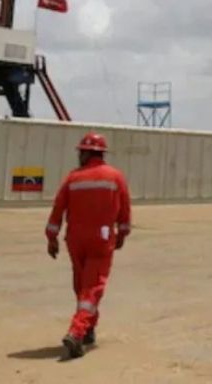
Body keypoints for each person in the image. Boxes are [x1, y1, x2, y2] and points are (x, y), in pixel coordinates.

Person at [45, 132, 133, 358]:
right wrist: (122, 232)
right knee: (92, 288)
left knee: (82, 286)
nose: (79, 156)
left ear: (86, 153)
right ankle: (76, 332)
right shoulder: (115, 177)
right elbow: (125, 208)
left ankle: (88, 328)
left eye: (81, 152)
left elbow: (58, 208)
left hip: (75, 239)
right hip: (101, 240)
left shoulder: (72, 178)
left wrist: (51, 237)